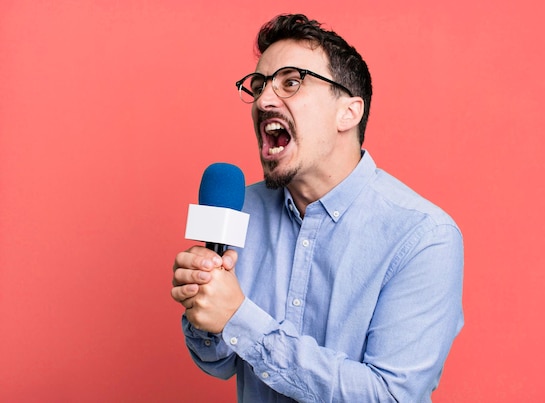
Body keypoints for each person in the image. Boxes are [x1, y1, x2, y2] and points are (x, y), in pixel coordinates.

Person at [171, 13, 464, 403]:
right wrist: (204, 306)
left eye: (290, 82)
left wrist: (239, 317)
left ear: (349, 112)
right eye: (258, 86)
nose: (263, 100)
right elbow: (219, 362)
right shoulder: (242, 208)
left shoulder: (424, 238)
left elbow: (390, 397)